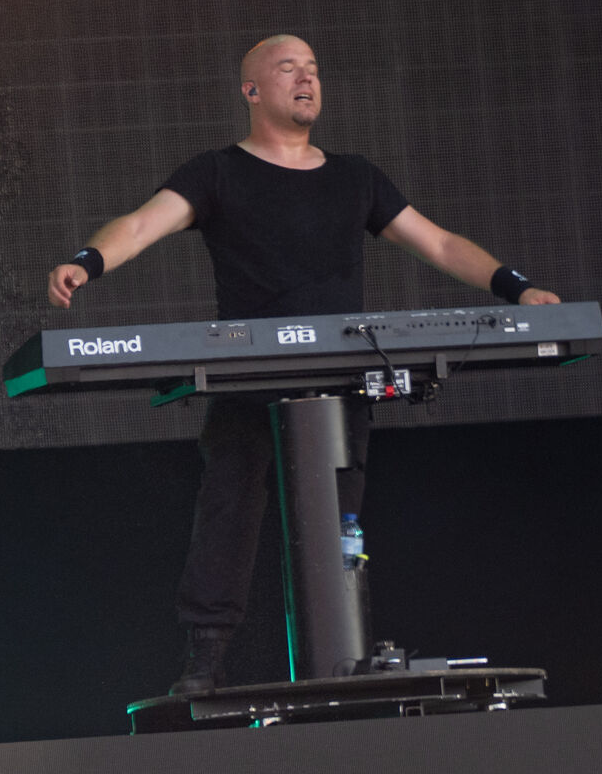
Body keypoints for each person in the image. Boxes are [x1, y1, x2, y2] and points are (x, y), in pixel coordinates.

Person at [46, 35, 560, 695]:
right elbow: (142, 225)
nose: (306, 79)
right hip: (248, 382)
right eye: (288, 68)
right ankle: (204, 663)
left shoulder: (356, 177)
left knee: (339, 528)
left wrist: (517, 289)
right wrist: (86, 263)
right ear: (251, 90)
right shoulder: (217, 172)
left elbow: (437, 242)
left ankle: (340, 661)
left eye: (313, 69)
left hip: (341, 385)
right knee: (228, 512)